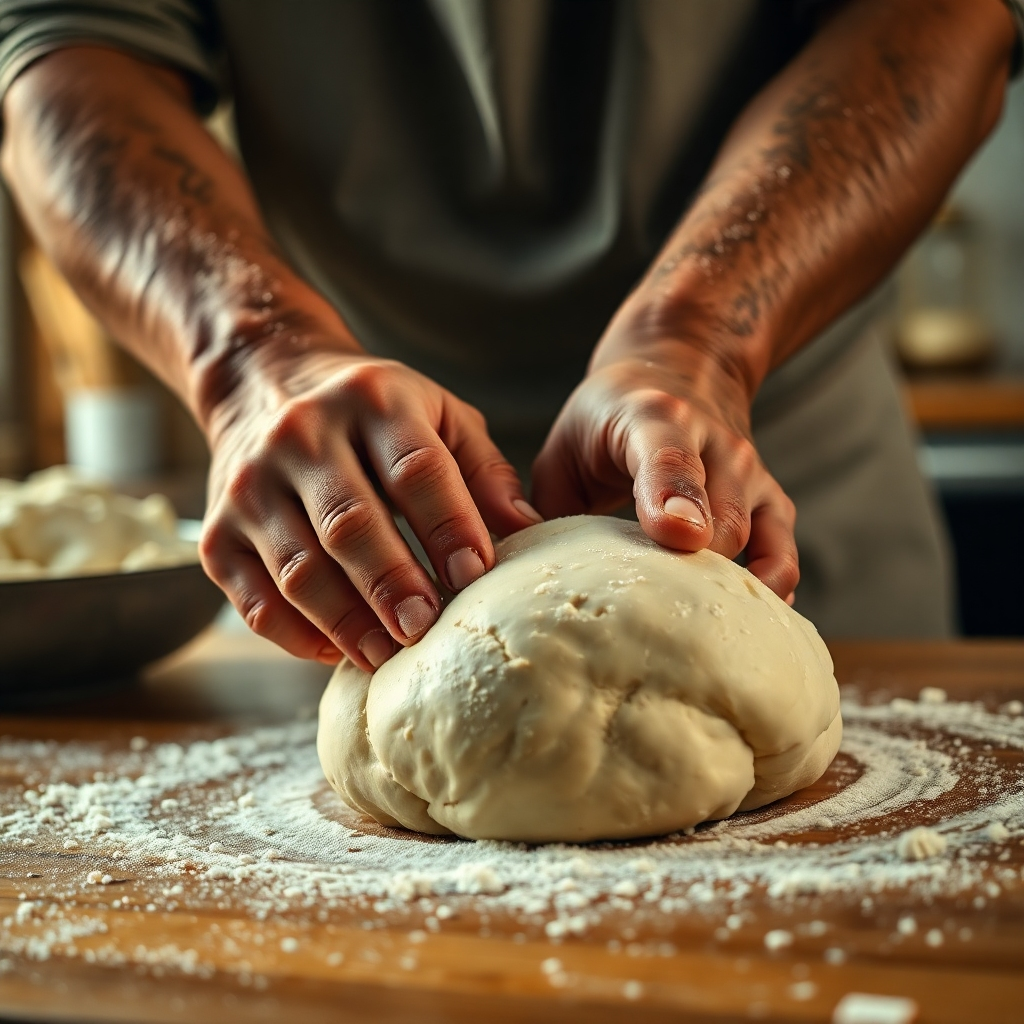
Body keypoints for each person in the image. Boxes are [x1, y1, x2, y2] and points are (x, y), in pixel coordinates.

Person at [0, 1, 1018, 671]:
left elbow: (941, 16)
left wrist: (694, 340)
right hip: (364, 545)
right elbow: (69, 50)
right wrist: (254, 357)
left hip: (764, 522)